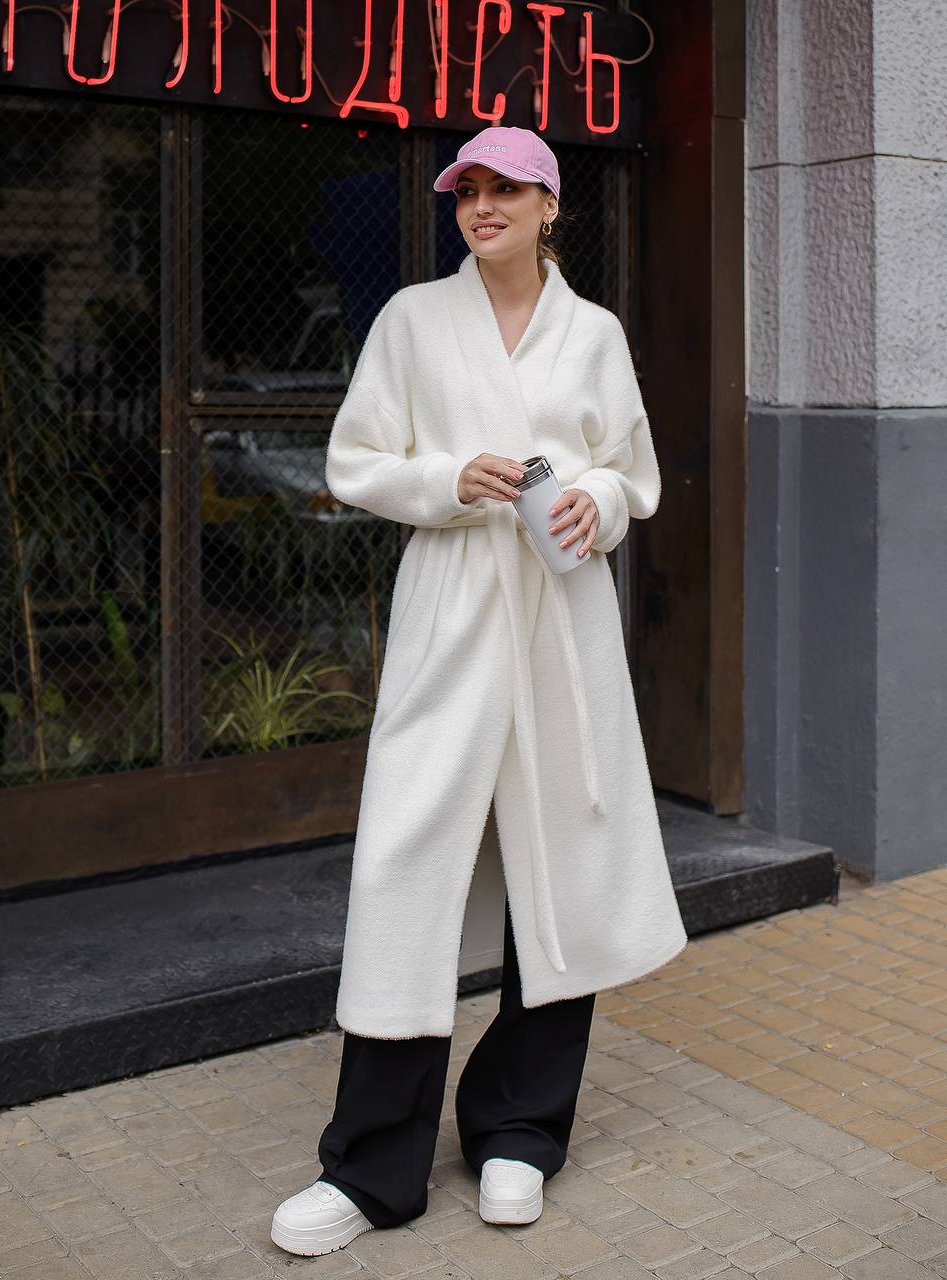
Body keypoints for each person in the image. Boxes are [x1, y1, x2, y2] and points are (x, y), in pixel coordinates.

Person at [270, 126, 688, 1257]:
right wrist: (446, 479)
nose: (483, 205)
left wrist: (592, 502)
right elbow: (354, 462)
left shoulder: (592, 333)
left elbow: (630, 468)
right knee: (406, 871)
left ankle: (519, 1128)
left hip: (561, 623)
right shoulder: (412, 319)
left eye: (508, 188)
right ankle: (368, 1167)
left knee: (561, 865)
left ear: (552, 206)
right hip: (452, 612)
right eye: (468, 190)